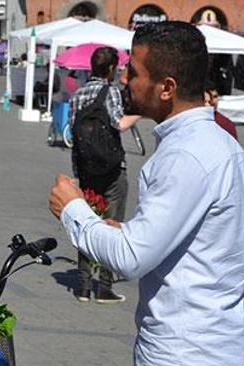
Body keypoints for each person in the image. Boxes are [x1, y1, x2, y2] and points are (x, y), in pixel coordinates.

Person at [49, 22, 244, 366]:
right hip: (205, 350)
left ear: (167, 87)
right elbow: (188, 239)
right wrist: (124, 230)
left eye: (135, 72)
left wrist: (73, 210)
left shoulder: (187, 156)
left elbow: (130, 259)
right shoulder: (213, 143)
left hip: (188, 359)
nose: (125, 78)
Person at [67, 46, 140, 304]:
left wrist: (77, 172)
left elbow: (73, 136)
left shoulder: (78, 94)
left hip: (86, 169)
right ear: (111, 69)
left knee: (87, 223)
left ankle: (84, 286)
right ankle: (105, 287)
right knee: (112, 225)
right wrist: (140, 112)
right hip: (112, 169)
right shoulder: (110, 92)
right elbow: (118, 123)